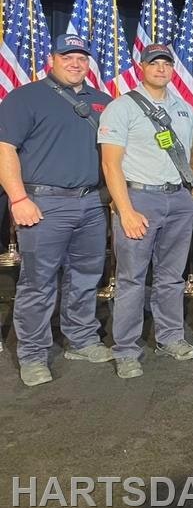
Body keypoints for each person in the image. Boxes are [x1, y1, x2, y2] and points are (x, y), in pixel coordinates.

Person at [0, 34, 112, 387]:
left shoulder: (103, 101)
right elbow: (5, 150)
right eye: (68, 56)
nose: (75, 63)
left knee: (85, 276)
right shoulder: (24, 98)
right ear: (53, 59)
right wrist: (18, 199)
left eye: (81, 57)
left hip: (93, 203)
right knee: (39, 282)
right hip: (43, 203)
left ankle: (81, 339)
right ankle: (32, 354)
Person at [98, 43, 193, 378]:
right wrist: (124, 210)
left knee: (172, 276)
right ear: (141, 67)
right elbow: (111, 165)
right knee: (131, 278)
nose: (160, 69)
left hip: (178, 200)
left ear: (172, 69)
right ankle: (126, 349)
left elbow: (191, 153)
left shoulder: (184, 108)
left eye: (166, 64)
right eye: (153, 63)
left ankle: (170, 337)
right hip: (139, 200)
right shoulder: (121, 107)